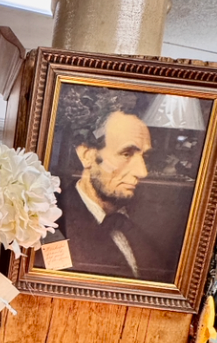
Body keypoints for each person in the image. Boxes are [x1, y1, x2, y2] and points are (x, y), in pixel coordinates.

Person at [46, 86, 168, 281]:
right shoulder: (52, 223)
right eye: (126, 153)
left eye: (144, 156)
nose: (142, 172)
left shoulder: (150, 221)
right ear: (87, 155)